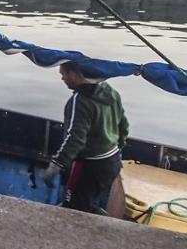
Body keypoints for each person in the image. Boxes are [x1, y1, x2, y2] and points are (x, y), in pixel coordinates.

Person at [42, 61, 130, 214]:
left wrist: (55, 165)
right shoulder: (110, 91)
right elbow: (123, 126)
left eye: (64, 74)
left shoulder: (79, 101)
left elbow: (75, 139)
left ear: (75, 74)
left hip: (90, 167)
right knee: (86, 202)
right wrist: (118, 150)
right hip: (112, 163)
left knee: (72, 209)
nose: (62, 79)